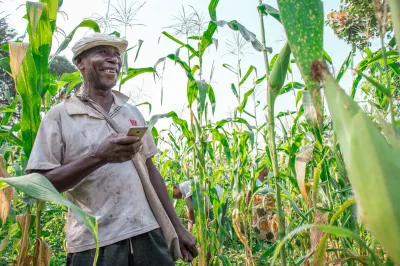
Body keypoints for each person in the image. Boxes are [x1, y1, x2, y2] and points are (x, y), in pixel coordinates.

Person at [26, 33, 198, 265]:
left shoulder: (131, 113)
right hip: (95, 242)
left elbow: (150, 170)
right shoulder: (60, 116)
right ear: (80, 63)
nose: (113, 60)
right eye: (102, 53)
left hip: (147, 233)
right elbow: (40, 185)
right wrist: (99, 156)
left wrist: (177, 226)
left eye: (116, 55)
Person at [246, 166, 278, 243]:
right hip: (259, 209)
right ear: (262, 170)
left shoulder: (267, 181)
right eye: (266, 169)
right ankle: (260, 242)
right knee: (260, 225)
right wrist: (248, 206)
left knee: (270, 224)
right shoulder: (254, 181)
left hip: (269, 209)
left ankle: (270, 240)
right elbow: (249, 194)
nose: (268, 171)